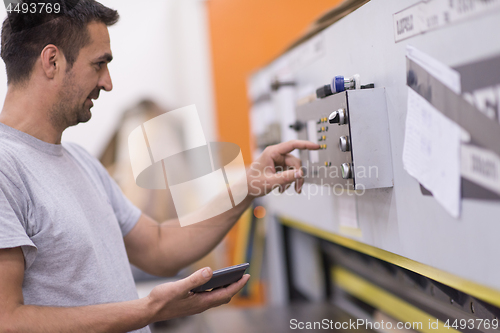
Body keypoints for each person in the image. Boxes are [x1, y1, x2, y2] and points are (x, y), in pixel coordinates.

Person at [0, 1, 319, 332]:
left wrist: (248, 186)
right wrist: (149, 309)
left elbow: (158, 246)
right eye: (99, 64)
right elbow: (7, 320)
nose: (108, 83)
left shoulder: (80, 161)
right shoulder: (6, 169)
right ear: (52, 61)